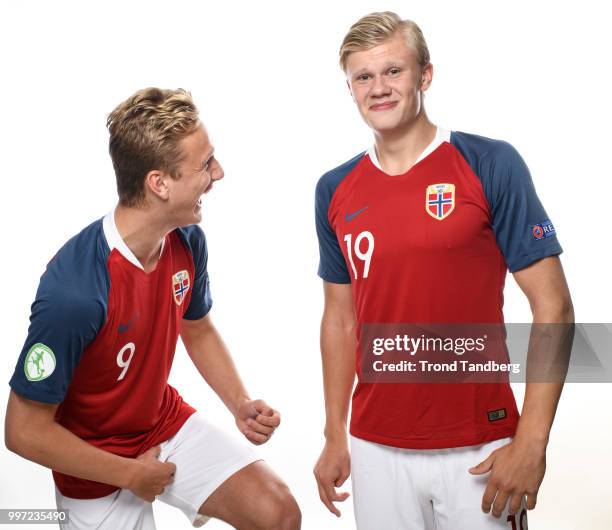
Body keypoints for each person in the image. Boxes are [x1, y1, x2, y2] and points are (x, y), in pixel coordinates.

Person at [313, 12, 573, 530]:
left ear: (424, 76)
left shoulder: (489, 163)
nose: (379, 88)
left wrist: (531, 442)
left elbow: (554, 306)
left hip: (479, 443)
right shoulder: (334, 189)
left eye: (393, 71)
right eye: (364, 77)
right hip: (375, 448)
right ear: (349, 86)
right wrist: (334, 433)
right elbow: (340, 321)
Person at [5, 87, 301, 530]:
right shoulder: (75, 292)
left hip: (160, 422)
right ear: (159, 183)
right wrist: (130, 473)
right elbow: (22, 431)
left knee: (278, 512)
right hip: (94, 466)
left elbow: (196, 327)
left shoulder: (186, 239)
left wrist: (238, 403)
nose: (218, 172)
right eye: (205, 164)